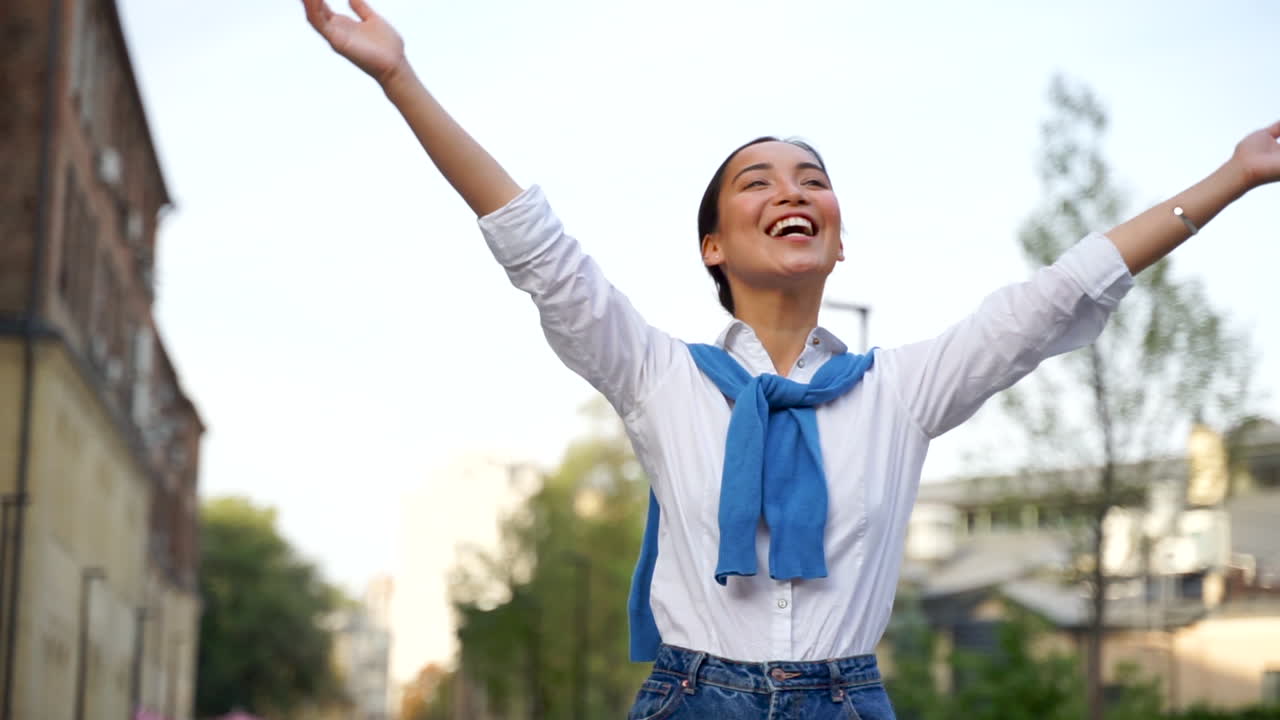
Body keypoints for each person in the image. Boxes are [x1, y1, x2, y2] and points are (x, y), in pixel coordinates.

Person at [300, 1, 1280, 717]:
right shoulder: (659, 376)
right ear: (712, 247)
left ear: (837, 242)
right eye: (756, 182)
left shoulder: (899, 392)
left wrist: (1234, 175)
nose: (792, 191)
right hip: (690, 699)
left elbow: (1059, 292)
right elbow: (533, 244)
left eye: (812, 179)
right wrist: (399, 78)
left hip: (845, 701)